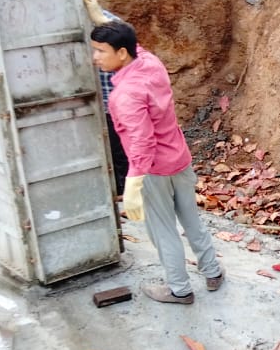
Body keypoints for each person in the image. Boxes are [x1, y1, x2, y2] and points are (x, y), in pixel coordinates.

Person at [89, 19, 224, 305]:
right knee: (191, 219)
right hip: (179, 159)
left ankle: (180, 290)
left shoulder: (124, 95)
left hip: (153, 171)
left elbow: (142, 142)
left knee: (163, 232)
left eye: (101, 50)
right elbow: (135, 45)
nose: (95, 57)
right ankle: (212, 271)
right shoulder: (151, 63)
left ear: (121, 53)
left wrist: (133, 183)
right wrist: (100, 18)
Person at [83, 0, 128, 195]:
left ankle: (124, 193)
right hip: (89, 106)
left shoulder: (109, 23)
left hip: (112, 106)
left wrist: (100, 20)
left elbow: (133, 52)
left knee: (119, 154)